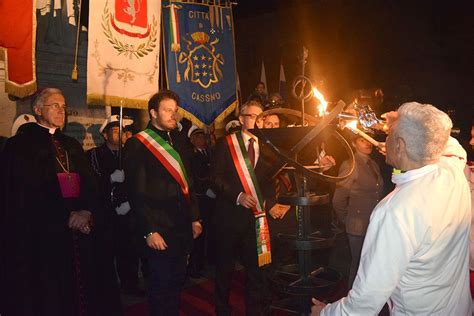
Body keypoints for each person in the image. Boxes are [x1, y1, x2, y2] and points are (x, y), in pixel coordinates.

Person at [312, 102, 472, 315]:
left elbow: (365, 302)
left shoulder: (396, 210)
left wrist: (324, 313)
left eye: (390, 136)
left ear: (400, 145)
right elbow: (445, 142)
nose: (383, 140)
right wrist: (397, 125)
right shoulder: (453, 172)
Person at [0, 88, 101, 316]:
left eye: (64, 106)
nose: (61, 110)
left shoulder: (72, 145)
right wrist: (64, 216)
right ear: (37, 110)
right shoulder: (19, 147)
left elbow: (91, 185)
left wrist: (86, 212)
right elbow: (22, 196)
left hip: (76, 233)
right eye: (54, 105)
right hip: (40, 239)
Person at [124, 90, 202, 316]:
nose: (173, 115)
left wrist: (195, 218)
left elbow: (189, 183)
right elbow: (136, 192)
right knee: (160, 287)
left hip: (181, 228)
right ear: (153, 113)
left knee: (177, 284)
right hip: (158, 229)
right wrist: (149, 231)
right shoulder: (138, 143)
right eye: (167, 110)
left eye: (175, 111)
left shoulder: (179, 141)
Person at [211, 100, 275, 315]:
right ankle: (221, 307)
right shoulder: (226, 143)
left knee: (256, 269)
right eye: (252, 116)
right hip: (229, 216)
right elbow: (215, 178)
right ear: (241, 119)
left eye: (261, 116)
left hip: (255, 218)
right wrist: (237, 195)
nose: (257, 120)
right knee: (224, 269)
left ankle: (255, 309)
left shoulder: (268, 147)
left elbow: (270, 180)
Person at [87, 115, 141, 300]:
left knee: (129, 252)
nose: (120, 135)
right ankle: (105, 289)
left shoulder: (131, 154)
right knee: (105, 253)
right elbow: (91, 183)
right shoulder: (94, 154)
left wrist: (130, 200)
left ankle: (130, 284)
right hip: (106, 213)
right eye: (115, 131)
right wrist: (109, 179)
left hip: (128, 212)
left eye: (122, 131)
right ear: (105, 135)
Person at [332, 133, 384, 289]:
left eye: (369, 140)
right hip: (357, 225)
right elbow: (337, 200)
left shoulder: (373, 164)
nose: (368, 143)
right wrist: (347, 219)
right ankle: (351, 303)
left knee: (370, 265)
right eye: (362, 140)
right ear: (353, 144)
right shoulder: (350, 165)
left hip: (373, 223)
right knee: (358, 265)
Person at [187, 126, 216, 276]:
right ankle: (196, 265)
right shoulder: (192, 157)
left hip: (212, 198)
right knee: (198, 234)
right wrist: (206, 189)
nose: (203, 140)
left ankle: (209, 260)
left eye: (203, 137)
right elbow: (195, 177)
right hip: (200, 199)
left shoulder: (210, 153)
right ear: (192, 140)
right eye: (199, 137)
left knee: (211, 230)